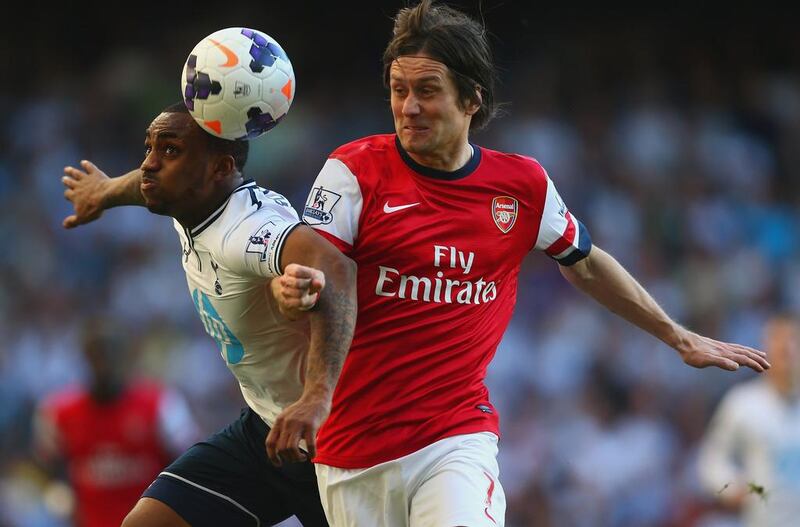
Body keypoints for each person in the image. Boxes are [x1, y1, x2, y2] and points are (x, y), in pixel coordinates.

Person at [64, 3, 770, 525]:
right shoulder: (352, 171)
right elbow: (319, 268)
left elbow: (584, 260)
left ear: (472, 99)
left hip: (451, 434)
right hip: (345, 446)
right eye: (399, 89)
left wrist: (676, 334)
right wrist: (295, 294)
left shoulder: (521, 186)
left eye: (427, 89)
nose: (408, 105)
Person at [61, 102, 357, 527]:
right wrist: (104, 193)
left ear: (220, 168)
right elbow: (144, 184)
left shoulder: (245, 229)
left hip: (328, 440)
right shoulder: (190, 198)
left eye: (169, 151)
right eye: (149, 147)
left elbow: (337, 269)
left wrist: (315, 398)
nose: (148, 165)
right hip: (266, 430)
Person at [32, 318, 201, 527]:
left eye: (110, 353)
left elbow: (188, 463)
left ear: (125, 356)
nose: (104, 363)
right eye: (97, 354)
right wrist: (62, 496)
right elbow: (50, 467)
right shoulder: (59, 411)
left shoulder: (161, 404)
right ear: (85, 357)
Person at [698, 314, 800, 527]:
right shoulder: (742, 404)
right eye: (780, 343)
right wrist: (731, 488)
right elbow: (712, 460)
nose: (788, 352)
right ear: (766, 348)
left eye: (794, 342)